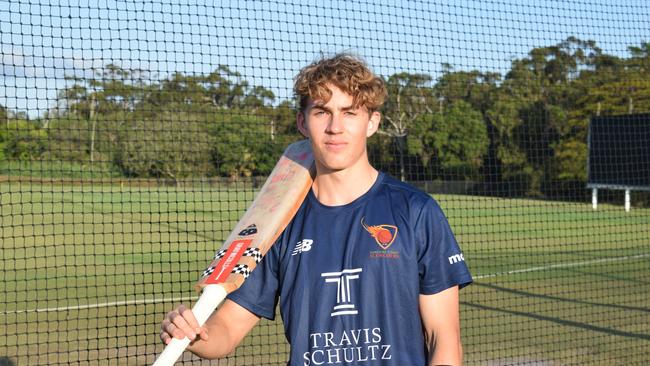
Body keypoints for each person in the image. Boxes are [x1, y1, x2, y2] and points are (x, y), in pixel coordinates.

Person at [160, 53, 472, 365]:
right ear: (302, 122)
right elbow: (227, 328)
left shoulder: (416, 211)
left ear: (372, 122)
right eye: (322, 112)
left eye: (349, 113)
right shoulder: (278, 222)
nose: (335, 127)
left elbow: (443, 338)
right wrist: (196, 332)